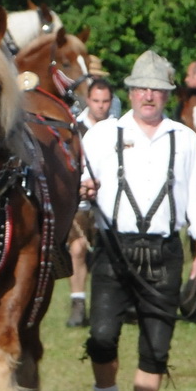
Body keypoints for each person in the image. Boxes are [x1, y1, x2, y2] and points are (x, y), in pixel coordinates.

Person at [79, 50, 196, 391]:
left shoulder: (185, 138)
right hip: (113, 249)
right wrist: (84, 196)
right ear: (131, 91)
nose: (148, 96)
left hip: (164, 252)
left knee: (156, 348)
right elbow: (82, 199)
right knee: (102, 336)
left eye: (156, 90)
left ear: (167, 95)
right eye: (141, 88)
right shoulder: (101, 135)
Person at [65, 76, 118, 327]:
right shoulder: (74, 128)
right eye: (96, 101)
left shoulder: (120, 129)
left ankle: (113, 302)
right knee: (77, 249)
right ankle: (78, 303)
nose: (101, 106)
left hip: (111, 200)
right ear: (88, 100)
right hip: (80, 201)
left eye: (105, 101)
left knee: (110, 250)